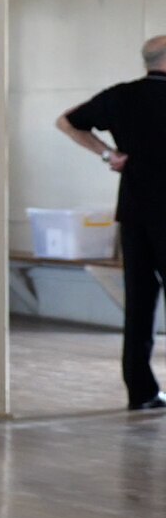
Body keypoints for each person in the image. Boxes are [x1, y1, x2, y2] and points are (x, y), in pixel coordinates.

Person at [58, 35, 166, 411]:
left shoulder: (121, 96)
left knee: (139, 301)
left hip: (135, 212)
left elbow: (67, 121)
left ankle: (141, 390)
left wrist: (108, 153)